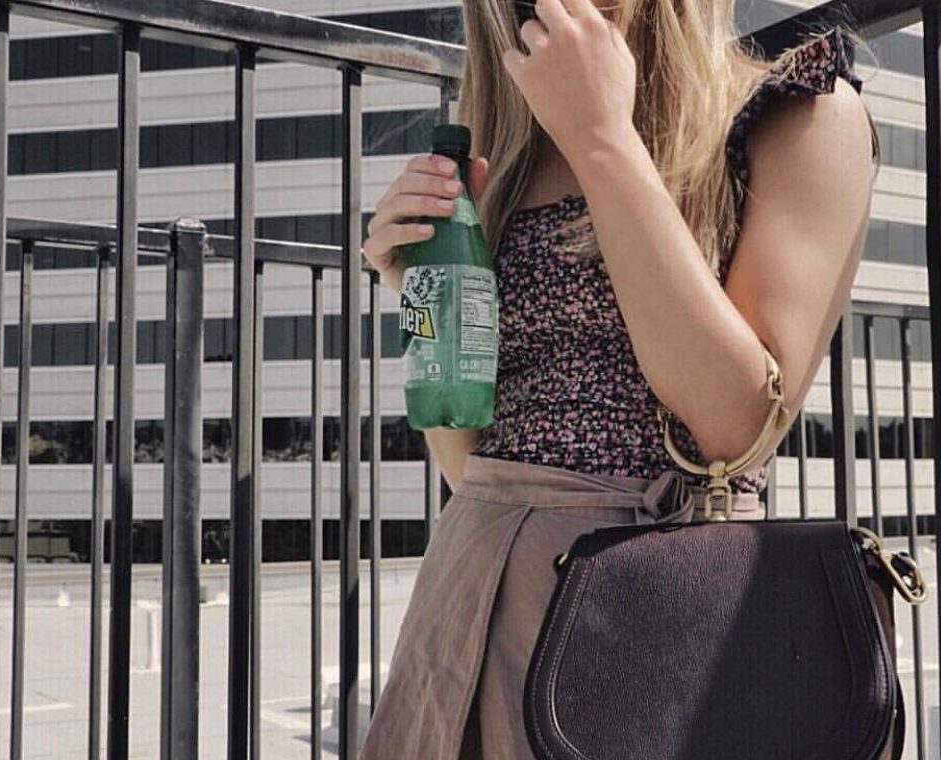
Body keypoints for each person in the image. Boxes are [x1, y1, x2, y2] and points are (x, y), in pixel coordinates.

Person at [358, 0, 878, 757]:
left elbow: (731, 426)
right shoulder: (505, 156)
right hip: (470, 597)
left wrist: (603, 140)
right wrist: (422, 291)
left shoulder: (794, 109)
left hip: (655, 613)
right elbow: (473, 466)